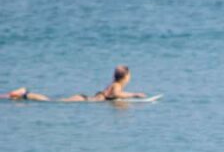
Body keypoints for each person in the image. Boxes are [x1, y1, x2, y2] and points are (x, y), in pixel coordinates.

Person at [1, 65, 146, 102]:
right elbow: (117, 94)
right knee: (52, 101)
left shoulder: (115, 84)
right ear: (126, 77)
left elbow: (116, 97)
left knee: (52, 101)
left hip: (86, 98)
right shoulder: (116, 86)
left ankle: (22, 95)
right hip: (85, 100)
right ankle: (24, 93)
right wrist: (135, 95)